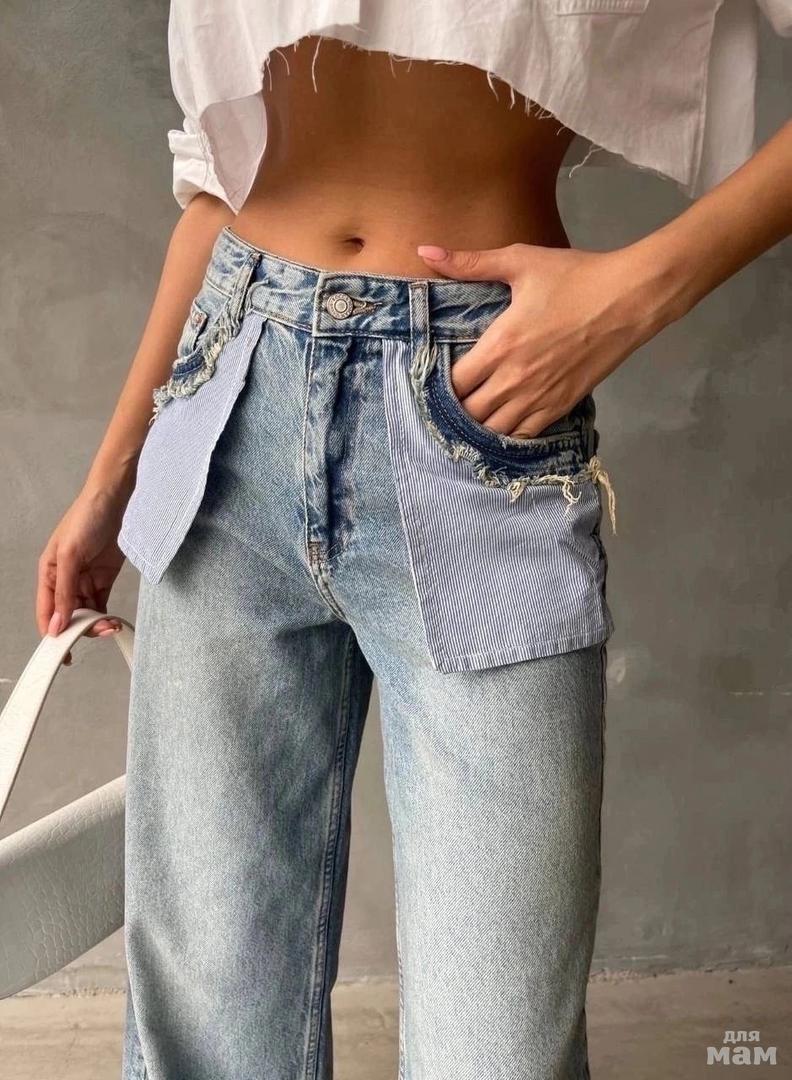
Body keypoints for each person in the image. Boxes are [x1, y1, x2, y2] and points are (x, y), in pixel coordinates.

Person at [35, 4, 792, 1078]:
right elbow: (218, 191)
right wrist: (108, 482)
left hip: (477, 410)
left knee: (499, 1048)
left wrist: (634, 294)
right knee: (206, 1028)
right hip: (232, 398)